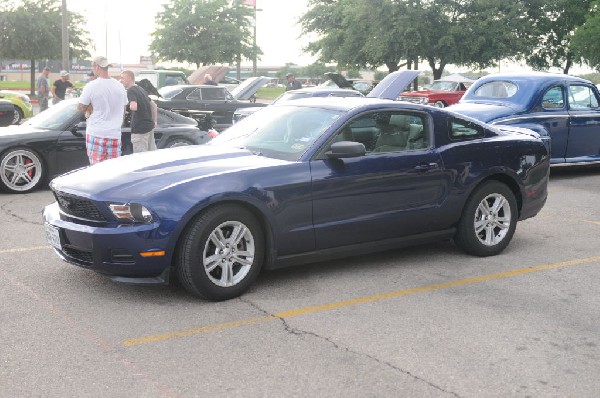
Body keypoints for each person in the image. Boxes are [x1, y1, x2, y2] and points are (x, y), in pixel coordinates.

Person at [77, 56, 128, 165]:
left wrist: (89, 106)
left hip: (96, 133)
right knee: (113, 171)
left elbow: (80, 107)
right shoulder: (120, 86)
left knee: (96, 171)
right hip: (114, 134)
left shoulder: (91, 86)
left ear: (97, 67)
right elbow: (124, 109)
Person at [120, 70, 158, 153]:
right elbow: (154, 106)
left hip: (139, 130)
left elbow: (134, 107)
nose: (121, 80)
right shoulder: (141, 89)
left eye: (123, 78)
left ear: (129, 78)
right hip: (149, 127)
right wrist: (154, 121)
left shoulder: (131, 91)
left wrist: (127, 108)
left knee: (140, 159)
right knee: (151, 156)